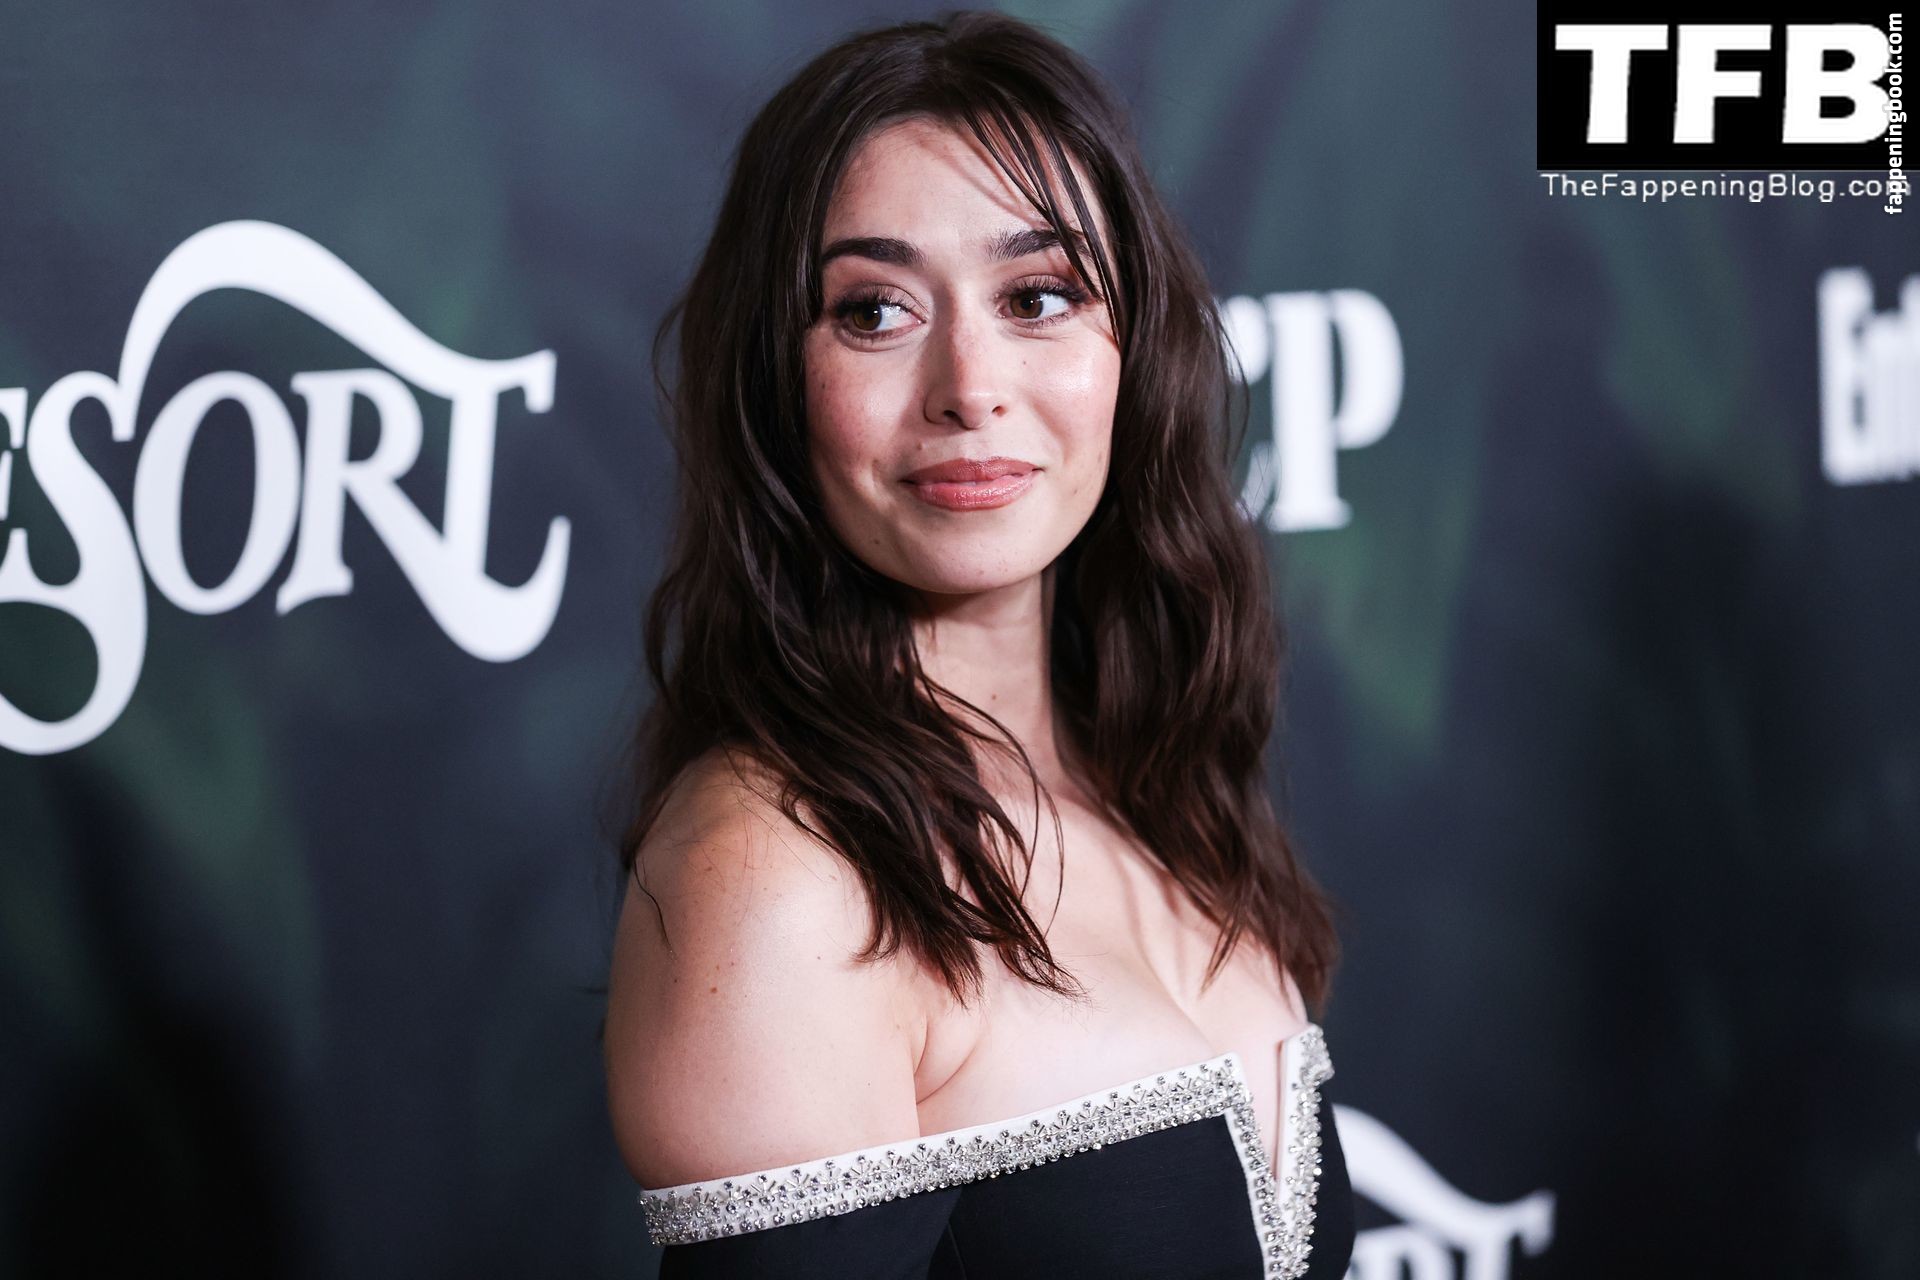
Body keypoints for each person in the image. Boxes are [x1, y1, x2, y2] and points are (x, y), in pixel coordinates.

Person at [602, 10, 1352, 1277]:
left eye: (1037, 296)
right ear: (776, 381)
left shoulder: (1156, 780)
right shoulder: (780, 879)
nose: (970, 385)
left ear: (1133, 348)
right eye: (875, 311)